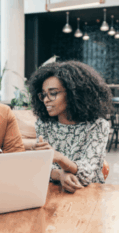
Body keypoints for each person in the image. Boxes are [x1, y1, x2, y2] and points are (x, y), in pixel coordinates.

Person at [28, 61, 112, 193]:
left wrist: (59, 158)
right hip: (52, 191)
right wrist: (61, 175)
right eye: (43, 94)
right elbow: (41, 167)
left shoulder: (98, 126)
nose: (46, 100)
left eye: (53, 93)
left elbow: (87, 173)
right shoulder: (44, 124)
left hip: (89, 193)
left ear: (74, 93)